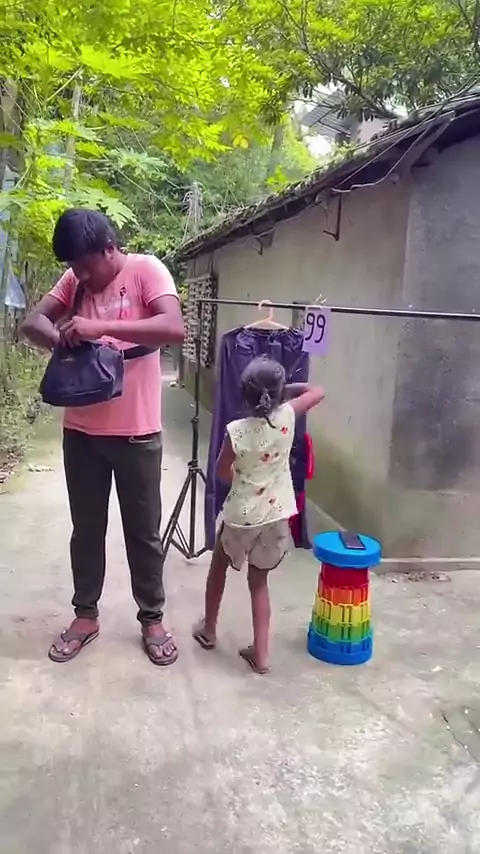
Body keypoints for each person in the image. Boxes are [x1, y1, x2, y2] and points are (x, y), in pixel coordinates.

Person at [21, 208, 184, 666]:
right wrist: (62, 339)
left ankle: (152, 619)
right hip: (82, 433)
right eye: (74, 267)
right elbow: (33, 322)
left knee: (143, 534)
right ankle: (85, 616)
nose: (80, 276)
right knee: (87, 530)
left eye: (86, 266)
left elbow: (173, 328)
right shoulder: (73, 281)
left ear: (109, 249)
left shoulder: (146, 271)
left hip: (137, 433)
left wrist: (101, 328)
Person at [192, 357, 325, 674]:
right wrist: (284, 391)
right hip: (277, 514)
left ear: (244, 394)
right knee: (259, 581)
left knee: (219, 566)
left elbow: (222, 472)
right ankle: (262, 655)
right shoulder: (288, 414)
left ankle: (209, 630)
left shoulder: (236, 432)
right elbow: (318, 391)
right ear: (278, 393)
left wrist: (241, 475)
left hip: (242, 516)